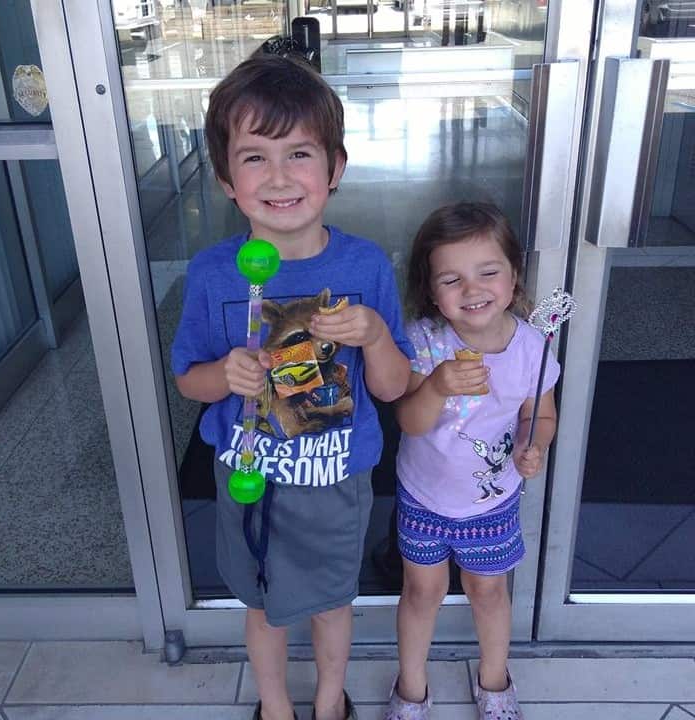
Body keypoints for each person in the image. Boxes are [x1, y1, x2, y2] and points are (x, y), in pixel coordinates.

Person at [171, 53, 413, 720]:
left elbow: (393, 389)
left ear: (335, 168)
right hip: (249, 477)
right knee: (262, 604)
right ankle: (275, 708)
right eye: (254, 157)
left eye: (299, 153)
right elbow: (190, 381)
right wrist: (224, 375)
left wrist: (375, 336)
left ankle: (331, 703)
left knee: (335, 602)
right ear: (225, 178)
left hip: (335, 480)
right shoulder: (215, 274)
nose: (278, 177)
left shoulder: (364, 265)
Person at [384, 203, 560, 720]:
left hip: (492, 503)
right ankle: (412, 687)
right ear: (431, 290)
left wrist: (535, 445)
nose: (473, 289)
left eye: (488, 272)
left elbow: (542, 416)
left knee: (488, 592)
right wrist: (437, 384)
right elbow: (410, 422)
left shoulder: (533, 348)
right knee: (421, 592)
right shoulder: (423, 342)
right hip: (424, 497)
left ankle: (494, 680)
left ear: (513, 277)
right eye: (452, 279)